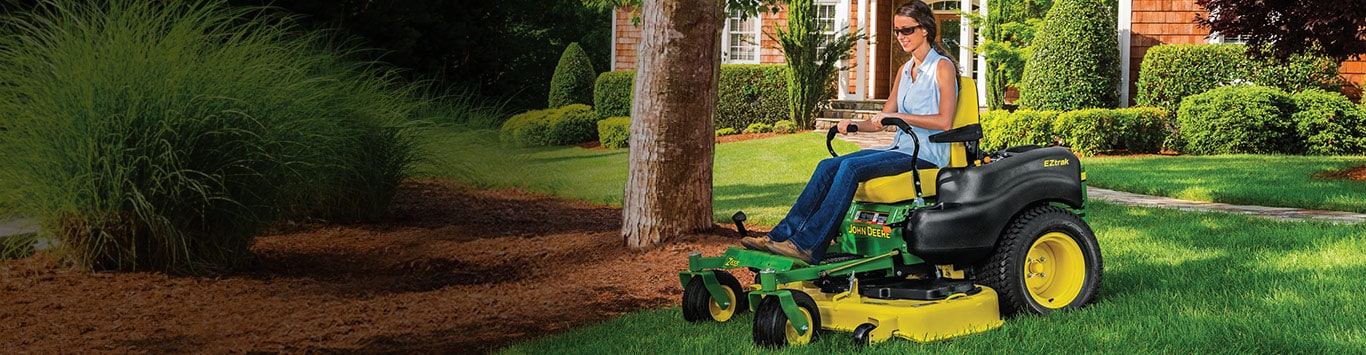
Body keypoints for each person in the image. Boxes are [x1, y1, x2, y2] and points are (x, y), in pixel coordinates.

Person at [740, 0, 959, 263]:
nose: (901, 37)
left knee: (850, 168)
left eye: (907, 30)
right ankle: (779, 236)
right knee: (827, 166)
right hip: (900, 148)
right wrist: (854, 124)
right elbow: (882, 119)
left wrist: (898, 116)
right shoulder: (905, 70)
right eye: (897, 31)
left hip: (926, 154)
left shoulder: (941, 67)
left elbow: (945, 122)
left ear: (924, 29)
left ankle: (808, 245)